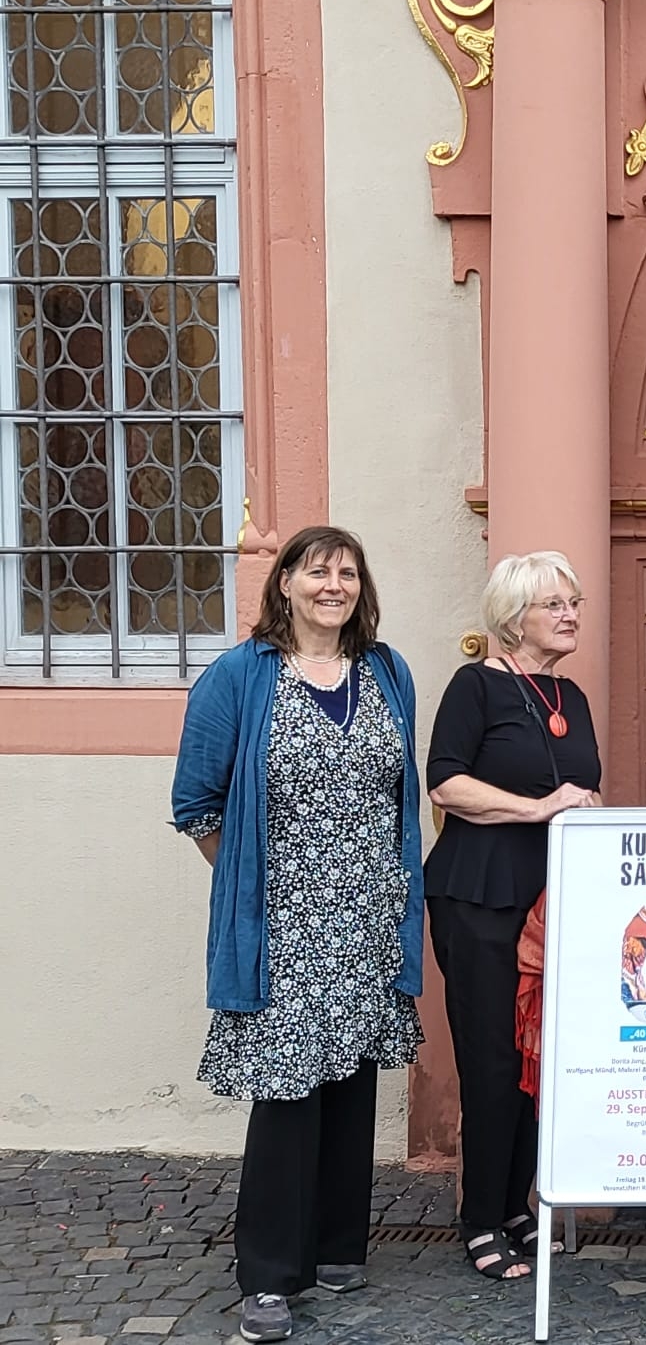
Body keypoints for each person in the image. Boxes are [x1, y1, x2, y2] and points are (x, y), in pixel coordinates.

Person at [170, 527, 426, 1344]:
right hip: (282, 921)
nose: (334, 585)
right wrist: (250, 885)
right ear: (283, 584)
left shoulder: (387, 672)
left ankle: (338, 1247)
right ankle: (271, 1277)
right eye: (316, 571)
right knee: (286, 1092)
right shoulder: (238, 677)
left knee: (350, 1074)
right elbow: (196, 804)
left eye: (348, 571)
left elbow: (398, 793)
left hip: (368, 912)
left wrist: (383, 892)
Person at [426, 552, 603, 1281]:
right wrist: (536, 808)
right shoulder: (476, 686)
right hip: (480, 895)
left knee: (541, 1058)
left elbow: (581, 788)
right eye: (553, 604)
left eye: (574, 602)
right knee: (494, 1060)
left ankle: (519, 1205)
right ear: (513, 617)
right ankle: (480, 1219)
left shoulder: (572, 696)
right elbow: (444, 783)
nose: (570, 614)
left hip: (551, 902)